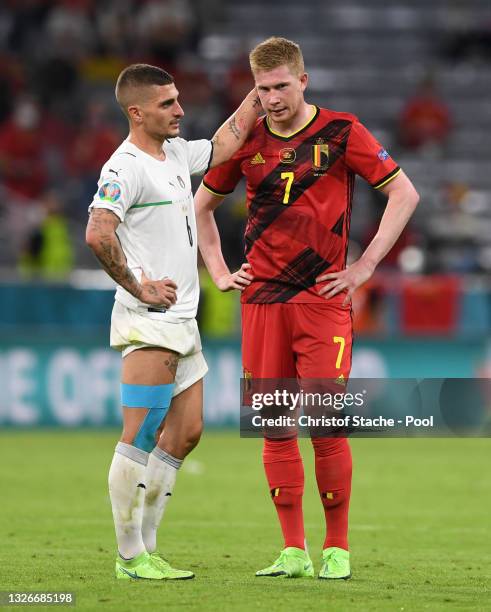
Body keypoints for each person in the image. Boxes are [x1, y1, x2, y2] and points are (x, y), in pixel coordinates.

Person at [195, 37, 419, 580]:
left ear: (303, 80)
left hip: (322, 300)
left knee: (323, 423)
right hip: (263, 300)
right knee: (273, 425)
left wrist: (364, 268)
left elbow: (404, 194)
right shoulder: (245, 139)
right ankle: (292, 550)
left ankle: (336, 548)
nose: (271, 99)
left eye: (280, 86)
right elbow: (200, 206)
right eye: (262, 89)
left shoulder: (342, 131)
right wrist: (221, 272)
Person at [85, 63, 261, 581]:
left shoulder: (177, 155)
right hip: (149, 320)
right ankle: (129, 556)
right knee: (140, 435)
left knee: (185, 433)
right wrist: (139, 287)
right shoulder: (124, 167)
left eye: (178, 99)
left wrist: (264, 89)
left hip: (183, 320)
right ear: (136, 112)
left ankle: (150, 547)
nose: (180, 109)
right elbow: (99, 233)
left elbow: (229, 140)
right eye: (167, 104)